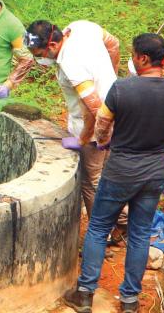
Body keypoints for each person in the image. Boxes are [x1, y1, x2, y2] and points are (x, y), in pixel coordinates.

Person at [62, 34, 164, 313]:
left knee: (98, 227)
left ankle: (85, 293)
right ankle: (131, 301)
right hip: (155, 171)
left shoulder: (121, 89)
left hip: (121, 169)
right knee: (140, 233)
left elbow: (102, 125)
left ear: (143, 59)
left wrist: (105, 141)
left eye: (134, 55)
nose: (132, 59)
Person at [24, 19, 128, 232]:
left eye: (39, 54)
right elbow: (114, 44)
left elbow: (95, 108)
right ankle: (119, 224)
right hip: (118, 109)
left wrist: (88, 138)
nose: (40, 60)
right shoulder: (80, 27)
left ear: (52, 45)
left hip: (96, 127)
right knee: (109, 173)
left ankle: (108, 230)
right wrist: (112, 81)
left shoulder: (71, 62)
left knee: (92, 182)